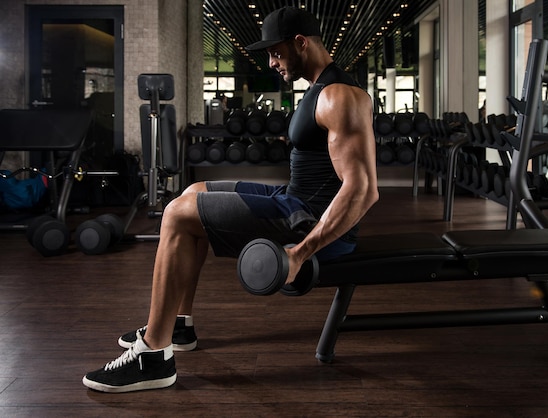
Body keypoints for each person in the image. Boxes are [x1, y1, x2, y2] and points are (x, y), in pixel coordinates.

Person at [82, 6, 379, 393]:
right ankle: (177, 325)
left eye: (276, 52)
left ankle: (153, 355)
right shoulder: (321, 88)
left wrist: (300, 253)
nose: (271, 62)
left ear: (301, 43)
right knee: (192, 192)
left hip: (306, 221)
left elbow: (362, 189)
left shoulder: (338, 97)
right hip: (294, 200)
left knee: (175, 214)